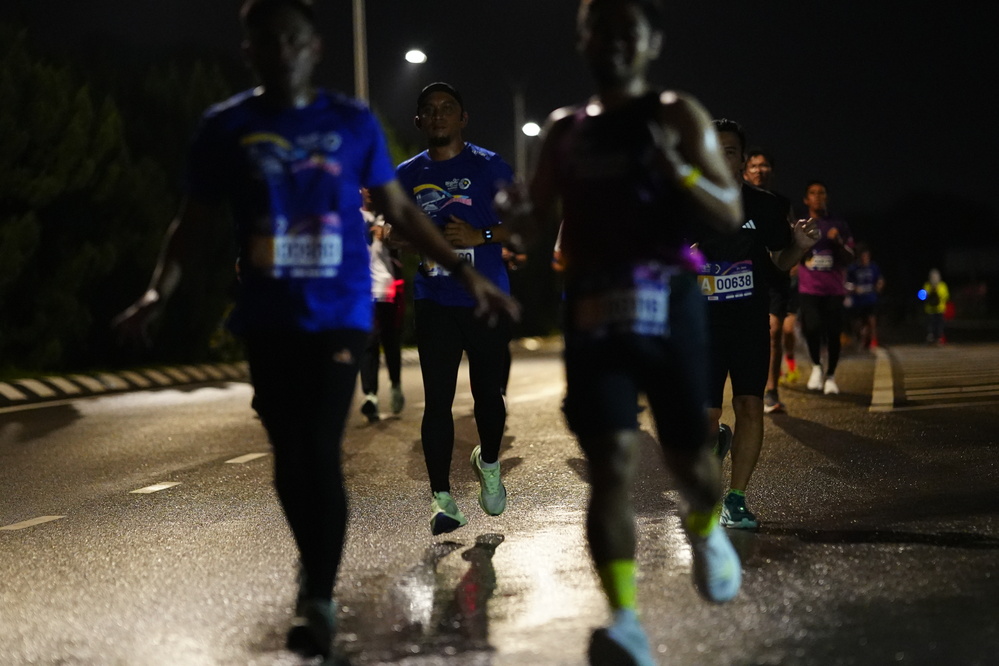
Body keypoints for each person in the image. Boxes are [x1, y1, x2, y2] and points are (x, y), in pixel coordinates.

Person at [112, 1, 519, 659]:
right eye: (266, 40)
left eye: (293, 38)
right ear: (250, 50)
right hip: (268, 312)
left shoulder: (350, 122)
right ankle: (315, 565)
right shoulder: (227, 126)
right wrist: (159, 290)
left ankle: (318, 595)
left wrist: (466, 270)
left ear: (314, 47)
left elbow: (399, 212)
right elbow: (191, 220)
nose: (282, 49)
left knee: (322, 449)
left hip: (338, 310)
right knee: (290, 454)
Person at [497, 1, 746, 663]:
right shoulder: (564, 130)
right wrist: (515, 219)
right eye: (599, 30)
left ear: (651, 42)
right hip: (592, 310)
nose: (612, 42)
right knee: (609, 466)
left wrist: (678, 170)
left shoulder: (676, 115)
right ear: (582, 40)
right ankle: (625, 621)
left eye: (627, 31)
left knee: (690, 462)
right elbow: (531, 228)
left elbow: (728, 212)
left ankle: (704, 524)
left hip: (668, 302)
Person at [396, 82, 516, 535]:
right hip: (435, 299)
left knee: (488, 397)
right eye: (430, 109)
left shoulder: (489, 166)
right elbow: (396, 232)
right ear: (419, 121)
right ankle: (442, 499)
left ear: (463, 118)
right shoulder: (407, 174)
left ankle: (489, 461)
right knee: (437, 401)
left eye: (448, 108)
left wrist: (479, 236)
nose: (438, 115)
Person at [699, 122, 819, 530]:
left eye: (731, 151)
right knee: (705, 415)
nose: (722, 157)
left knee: (750, 405)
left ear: (742, 160)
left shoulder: (765, 206)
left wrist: (799, 247)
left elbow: (779, 263)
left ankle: (736, 500)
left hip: (749, 321)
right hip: (702, 325)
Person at [742, 149, 795, 414]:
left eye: (764, 166)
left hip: (774, 277)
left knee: (774, 332)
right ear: (745, 170)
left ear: (771, 171)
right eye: (754, 166)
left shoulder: (781, 203)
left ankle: (771, 391)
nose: (759, 170)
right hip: (742, 275)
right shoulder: (735, 201)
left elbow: (791, 238)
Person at [797, 180, 855, 395]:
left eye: (821, 193)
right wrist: (803, 246)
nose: (818, 197)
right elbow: (791, 256)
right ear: (806, 199)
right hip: (809, 288)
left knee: (833, 333)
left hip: (834, 289)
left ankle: (830, 376)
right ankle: (816, 366)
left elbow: (850, 257)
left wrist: (838, 241)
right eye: (813, 193)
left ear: (827, 197)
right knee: (811, 328)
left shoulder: (838, 224)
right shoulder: (801, 225)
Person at [359, 189, 406, 422]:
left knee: (390, 341)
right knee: (368, 341)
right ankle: (370, 396)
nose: (369, 191)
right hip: (362, 291)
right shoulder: (351, 215)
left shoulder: (388, 216)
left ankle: (395, 384)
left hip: (388, 287)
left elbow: (408, 240)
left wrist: (388, 235)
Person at [845, 242, 885, 349]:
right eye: (863, 257)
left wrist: (879, 285)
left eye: (867, 257)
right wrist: (854, 288)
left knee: (871, 320)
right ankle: (861, 338)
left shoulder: (873, 267)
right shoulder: (853, 269)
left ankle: (873, 340)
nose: (865, 259)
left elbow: (880, 279)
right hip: (857, 300)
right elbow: (846, 283)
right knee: (857, 323)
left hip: (870, 298)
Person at [922, 268, 950, 344]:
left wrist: (938, 293)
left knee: (939, 325)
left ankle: (939, 338)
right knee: (930, 324)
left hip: (940, 309)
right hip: (930, 309)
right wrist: (928, 293)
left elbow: (946, 296)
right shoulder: (927, 285)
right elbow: (922, 296)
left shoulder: (942, 285)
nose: (934, 278)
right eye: (932, 277)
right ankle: (930, 337)